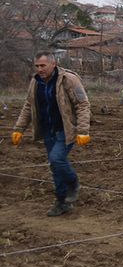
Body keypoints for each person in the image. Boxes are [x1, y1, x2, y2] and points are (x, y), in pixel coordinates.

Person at [11, 51, 91, 216]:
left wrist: (82, 130)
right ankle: (62, 202)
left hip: (66, 129)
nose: (39, 69)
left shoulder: (68, 79)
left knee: (57, 159)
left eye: (43, 65)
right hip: (48, 130)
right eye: (37, 66)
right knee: (55, 166)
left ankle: (73, 182)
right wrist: (19, 128)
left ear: (53, 64)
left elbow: (82, 104)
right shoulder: (36, 82)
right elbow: (29, 105)